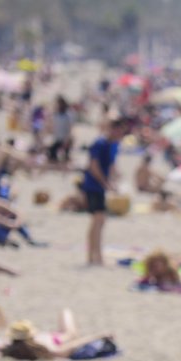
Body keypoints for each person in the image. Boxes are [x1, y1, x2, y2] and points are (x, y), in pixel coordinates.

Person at [0, 308, 114, 361]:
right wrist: (99, 336)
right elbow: (74, 344)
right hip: (62, 337)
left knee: (65, 313)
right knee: (66, 312)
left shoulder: (7, 348)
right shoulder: (46, 349)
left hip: (54, 338)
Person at [81, 118, 125, 266]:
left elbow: (112, 165)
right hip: (93, 186)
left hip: (100, 186)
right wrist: (105, 183)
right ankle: (93, 256)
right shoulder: (99, 144)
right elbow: (93, 166)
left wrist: (114, 181)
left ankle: (95, 255)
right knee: (98, 219)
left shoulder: (114, 145)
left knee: (99, 220)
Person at [47, 95, 74, 166]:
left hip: (64, 138)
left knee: (63, 153)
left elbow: (69, 128)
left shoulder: (67, 115)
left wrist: (67, 139)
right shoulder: (56, 114)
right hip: (57, 137)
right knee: (51, 152)